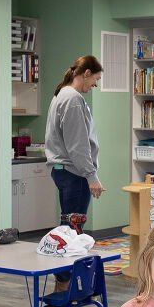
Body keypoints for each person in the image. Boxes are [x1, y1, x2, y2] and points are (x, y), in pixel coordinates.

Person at [44, 55, 105, 227]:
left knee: (67, 226)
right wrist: (91, 176)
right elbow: (78, 144)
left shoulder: (61, 94)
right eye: (96, 79)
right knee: (73, 230)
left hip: (63, 170)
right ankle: (72, 255)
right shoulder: (73, 99)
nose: (96, 85)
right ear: (86, 73)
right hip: (75, 172)